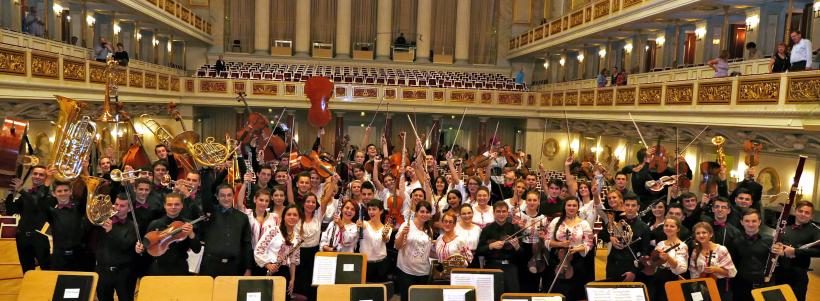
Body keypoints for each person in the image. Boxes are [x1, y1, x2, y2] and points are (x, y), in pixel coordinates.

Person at [4, 165, 53, 272]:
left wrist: (21, 190)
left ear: (45, 178)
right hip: (22, 238)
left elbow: (36, 202)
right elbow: (11, 211)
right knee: (26, 270)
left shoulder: (48, 195)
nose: (37, 176)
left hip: (40, 237)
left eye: (41, 175)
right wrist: (11, 191)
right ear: (31, 175)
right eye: (35, 174)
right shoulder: (25, 194)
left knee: (46, 270)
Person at [545, 196, 594, 300]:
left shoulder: (584, 223)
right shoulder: (555, 221)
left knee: (574, 293)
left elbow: (589, 244)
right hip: (558, 259)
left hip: (576, 262)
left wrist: (576, 249)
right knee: (556, 293)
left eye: (574, 205)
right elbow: (547, 241)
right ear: (565, 207)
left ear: (578, 208)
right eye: (569, 205)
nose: (571, 208)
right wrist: (560, 244)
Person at [138, 193, 200, 275]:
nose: (173, 207)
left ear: (182, 205)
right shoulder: (155, 224)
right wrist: (140, 249)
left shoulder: (188, 224)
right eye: (169, 204)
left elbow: (197, 249)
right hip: (159, 267)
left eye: (177, 204)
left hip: (180, 268)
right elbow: (147, 249)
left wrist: (191, 233)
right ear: (164, 205)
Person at [772, 201, 820, 301]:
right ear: (795, 212)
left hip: (798, 276)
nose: (803, 214)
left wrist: (795, 251)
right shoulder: (785, 228)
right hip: (780, 273)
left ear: (811, 216)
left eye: (807, 212)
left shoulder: (815, 231)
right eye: (800, 211)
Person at [95, 195, 139, 301]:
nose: (118, 208)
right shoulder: (103, 221)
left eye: (122, 206)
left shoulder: (133, 226)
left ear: (129, 209)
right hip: (103, 271)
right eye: (116, 204)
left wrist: (111, 231)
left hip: (123, 273)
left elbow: (126, 245)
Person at [255, 204, 302, 299]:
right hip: (269, 270)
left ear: (298, 218)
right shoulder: (273, 231)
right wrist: (267, 264)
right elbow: (259, 250)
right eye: (289, 214)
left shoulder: (297, 237)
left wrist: (292, 280)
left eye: (295, 215)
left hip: (285, 274)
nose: (292, 217)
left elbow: (293, 261)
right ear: (283, 217)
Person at [477, 201, 522, 293]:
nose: (501, 214)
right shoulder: (487, 229)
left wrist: (517, 247)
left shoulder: (515, 228)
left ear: (507, 213)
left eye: (504, 211)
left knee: (512, 296)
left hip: (510, 267)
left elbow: (522, 254)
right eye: (498, 211)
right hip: (492, 266)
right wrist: (490, 246)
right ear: (493, 213)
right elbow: (479, 251)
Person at [46, 181, 90, 271]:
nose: (63, 193)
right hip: (59, 257)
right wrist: (47, 181)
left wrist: (85, 173)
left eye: (66, 190)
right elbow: (41, 202)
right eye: (59, 191)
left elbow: (86, 196)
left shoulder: (79, 209)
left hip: (79, 256)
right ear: (54, 194)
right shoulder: (51, 212)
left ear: (70, 192)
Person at [730, 209, 773, 301]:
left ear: (759, 222)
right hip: (741, 284)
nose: (750, 224)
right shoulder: (735, 241)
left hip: (763, 283)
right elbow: (733, 264)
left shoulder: (770, 241)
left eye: (754, 221)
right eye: (747, 221)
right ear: (742, 222)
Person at [394, 201, 434, 301]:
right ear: (416, 212)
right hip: (406, 271)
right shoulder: (406, 225)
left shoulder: (429, 230)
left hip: (423, 272)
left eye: (427, 212)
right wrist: (403, 233)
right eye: (422, 211)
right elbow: (398, 246)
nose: (425, 214)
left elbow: (427, 251)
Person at [689, 222, 737, 301]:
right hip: (701, 286)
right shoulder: (695, 251)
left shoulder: (721, 249)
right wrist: (695, 289)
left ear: (710, 234)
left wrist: (716, 269)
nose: (701, 235)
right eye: (698, 233)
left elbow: (732, 272)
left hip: (719, 286)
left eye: (704, 232)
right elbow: (693, 272)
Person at [645, 217, 689, 301]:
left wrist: (668, 258)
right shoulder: (660, 243)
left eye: (672, 226)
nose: (668, 228)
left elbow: (681, 269)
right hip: (657, 277)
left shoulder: (682, 246)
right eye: (666, 225)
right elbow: (655, 263)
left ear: (678, 229)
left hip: (671, 278)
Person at [361, 200, 392, 283]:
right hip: (365, 264)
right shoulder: (364, 224)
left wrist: (384, 235)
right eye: (369, 209)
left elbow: (386, 240)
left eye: (374, 209)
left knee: (379, 292)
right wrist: (358, 225)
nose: (371, 212)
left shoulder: (387, 227)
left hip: (381, 264)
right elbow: (360, 226)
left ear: (381, 211)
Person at [454, 204, 482, 268]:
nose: (467, 216)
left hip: (474, 260)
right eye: (464, 214)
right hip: (458, 260)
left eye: (469, 213)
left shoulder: (478, 229)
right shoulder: (454, 228)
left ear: (473, 213)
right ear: (460, 215)